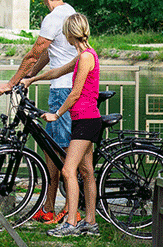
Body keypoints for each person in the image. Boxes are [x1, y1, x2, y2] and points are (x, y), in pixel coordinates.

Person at [0, 0, 77, 222]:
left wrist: (11, 82)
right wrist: (29, 77)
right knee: (50, 153)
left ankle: (70, 209)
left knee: (62, 154)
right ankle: (49, 206)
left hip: (63, 91)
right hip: (62, 88)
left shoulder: (53, 19)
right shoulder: (70, 12)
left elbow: (33, 53)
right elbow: (49, 55)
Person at [22, 13, 101, 237]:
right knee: (86, 172)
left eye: (65, 32)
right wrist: (32, 78)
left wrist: (56, 114)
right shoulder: (83, 55)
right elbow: (58, 71)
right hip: (84, 120)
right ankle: (90, 222)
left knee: (68, 169)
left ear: (70, 33)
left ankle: (71, 223)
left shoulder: (86, 57)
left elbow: (75, 92)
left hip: (86, 120)